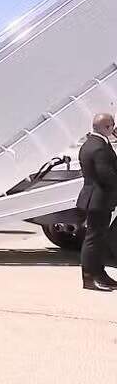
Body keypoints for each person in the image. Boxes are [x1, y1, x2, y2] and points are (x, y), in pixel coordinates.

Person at [76, 113, 117, 292]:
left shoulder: (90, 143)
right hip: (99, 199)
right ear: (107, 127)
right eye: (112, 126)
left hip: (94, 197)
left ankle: (100, 274)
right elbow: (106, 175)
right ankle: (89, 278)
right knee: (93, 239)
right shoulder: (100, 147)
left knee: (98, 238)